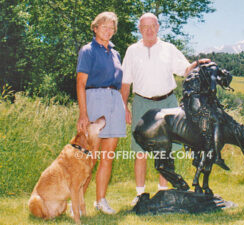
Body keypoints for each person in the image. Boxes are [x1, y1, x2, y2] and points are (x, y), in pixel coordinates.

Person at [120, 12, 210, 205]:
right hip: (142, 104)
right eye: (145, 27)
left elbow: (185, 70)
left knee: (166, 151)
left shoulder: (169, 49)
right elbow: (125, 83)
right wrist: (124, 107)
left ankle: (163, 191)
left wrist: (197, 64)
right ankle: (139, 194)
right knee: (140, 151)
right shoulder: (132, 51)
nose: (149, 30)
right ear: (140, 30)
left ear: (158, 27)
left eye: (153, 26)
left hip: (167, 104)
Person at [76, 11, 126, 214]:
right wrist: (83, 114)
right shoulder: (88, 51)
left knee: (108, 156)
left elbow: (120, 82)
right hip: (94, 99)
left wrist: (124, 105)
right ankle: (77, 203)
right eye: (104, 26)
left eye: (112, 27)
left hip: (115, 101)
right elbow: (80, 83)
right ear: (95, 28)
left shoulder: (116, 53)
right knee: (91, 158)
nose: (108, 30)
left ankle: (100, 201)